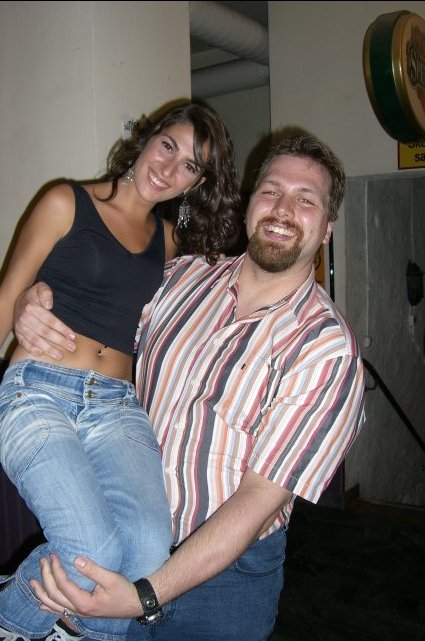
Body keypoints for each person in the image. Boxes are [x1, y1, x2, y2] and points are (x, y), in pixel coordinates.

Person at [15, 132, 365, 641]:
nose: (283, 209)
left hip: (228, 585)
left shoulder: (327, 349)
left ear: (327, 228)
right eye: (270, 191)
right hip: (129, 540)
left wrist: (146, 594)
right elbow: (95, 324)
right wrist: (34, 302)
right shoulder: (178, 278)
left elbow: (258, 500)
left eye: (305, 199)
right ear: (249, 204)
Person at [0, 101, 241, 641]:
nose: (169, 168)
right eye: (168, 146)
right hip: (38, 389)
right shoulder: (66, 201)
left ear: (196, 183)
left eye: (189, 166)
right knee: (89, 549)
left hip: (116, 406)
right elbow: (6, 301)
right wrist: (21, 308)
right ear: (146, 139)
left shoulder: (170, 241)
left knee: (147, 552)